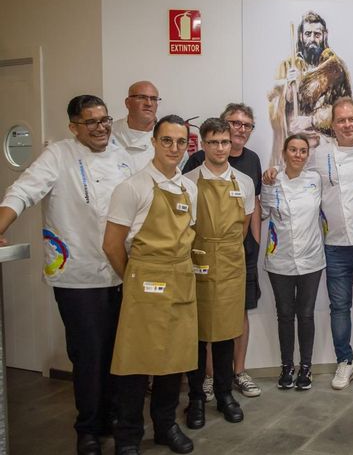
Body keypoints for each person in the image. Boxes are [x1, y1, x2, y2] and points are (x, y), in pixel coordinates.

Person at [0, 95, 133, 455]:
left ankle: (114, 419)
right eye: (91, 122)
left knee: (118, 354)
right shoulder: (57, 155)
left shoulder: (121, 155)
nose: (101, 127)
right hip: (78, 277)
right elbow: (23, 191)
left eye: (104, 119)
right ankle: (88, 429)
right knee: (89, 356)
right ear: (73, 127)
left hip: (121, 273)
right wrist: (1, 222)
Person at [264, 96, 353, 390]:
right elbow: (292, 172)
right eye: (341, 120)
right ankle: (345, 363)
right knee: (339, 307)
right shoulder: (319, 156)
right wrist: (271, 172)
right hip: (335, 246)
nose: (347, 124)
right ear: (332, 125)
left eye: (351, 119)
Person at [103, 114, 198, 455]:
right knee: (135, 364)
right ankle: (128, 436)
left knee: (174, 360)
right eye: (167, 140)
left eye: (180, 142)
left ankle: (165, 426)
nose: (174, 148)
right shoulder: (132, 188)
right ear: (154, 143)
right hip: (144, 283)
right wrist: (135, 278)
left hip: (181, 282)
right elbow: (112, 245)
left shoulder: (190, 188)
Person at [183, 103, 263, 400]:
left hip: (234, 258)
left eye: (224, 142)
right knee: (202, 319)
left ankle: (232, 379)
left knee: (234, 317)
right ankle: (207, 379)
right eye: (214, 142)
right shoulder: (189, 177)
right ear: (204, 144)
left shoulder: (246, 175)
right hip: (199, 258)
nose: (220, 147)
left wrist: (242, 249)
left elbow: (246, 219)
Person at [262, 133, 325, 391]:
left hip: (311, 259)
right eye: (293, 150)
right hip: (280, 260)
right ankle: (287, 366)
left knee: (306, 314)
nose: (298, 155)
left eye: (302, 151)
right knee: (285, 315)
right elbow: (264, 212)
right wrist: (268, 179)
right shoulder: (272, 179)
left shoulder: (315, 180)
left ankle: (306, 368)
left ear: (307, 155)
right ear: (284, 152)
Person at [268, 10, 352, 162]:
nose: (312, 39)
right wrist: (286, 88)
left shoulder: (335, 68)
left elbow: (345, 111)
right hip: (293, 148)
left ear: (324, 35)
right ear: (301, 36)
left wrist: (311, 120)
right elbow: (273, 104)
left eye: (317, 34)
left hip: (326, 148)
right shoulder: (287, 66)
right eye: (308, 34)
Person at [110, 81, 163, 171]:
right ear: (127, 103)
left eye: (153, 99)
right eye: (142, 97)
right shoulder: (110, 133)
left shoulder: (168, 138)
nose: (149, 103)